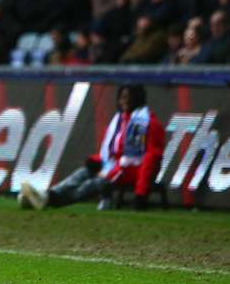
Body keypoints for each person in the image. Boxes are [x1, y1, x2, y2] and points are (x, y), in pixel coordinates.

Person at [19, 84, 165, 211]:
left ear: (137, 99)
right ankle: (46, 195)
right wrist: (96, 160)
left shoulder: (148, 124)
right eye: (121, 97)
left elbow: (151, 160)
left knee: (93, 183)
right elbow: (112, 153)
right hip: (116, 168)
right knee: (83, 173)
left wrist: (141, 192)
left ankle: (48, 200)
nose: (123, 101)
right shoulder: (120, 121)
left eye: (127, 97)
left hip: (132, 173)